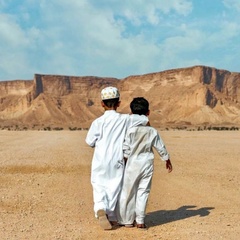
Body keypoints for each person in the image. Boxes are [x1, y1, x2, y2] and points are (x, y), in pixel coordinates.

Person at [85, 87, 149, 230]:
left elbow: (89, 142)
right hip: (117, 160)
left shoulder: (97, 122)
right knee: (114, 187)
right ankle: (112, 217)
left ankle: (101, 207)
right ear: (119, 103)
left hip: (100, 160)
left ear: (102, 103)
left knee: (98, 185)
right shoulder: (125, 119)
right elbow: (144, 119)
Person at [117, 97, 173, 229]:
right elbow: (160, 147)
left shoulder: (130, 131)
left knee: (128, 191)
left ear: (131, 113)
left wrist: (124, 162)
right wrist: (167, 159)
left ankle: (127, 221)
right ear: (148, 113)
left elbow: (126, 149)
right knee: (143, 191)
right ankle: (140, 221)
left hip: (132, 164)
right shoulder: (152, 131)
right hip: (147, 164)